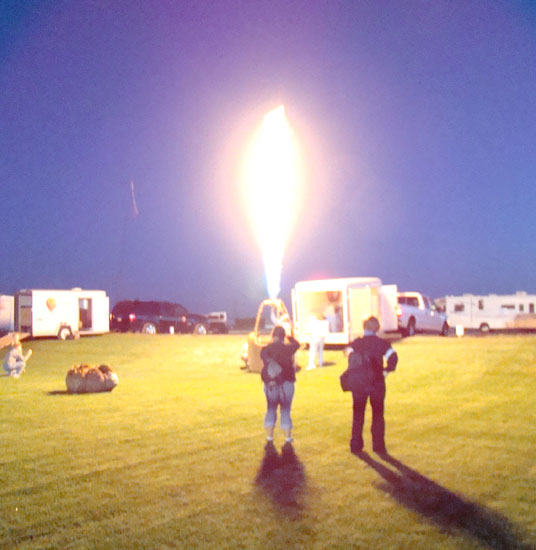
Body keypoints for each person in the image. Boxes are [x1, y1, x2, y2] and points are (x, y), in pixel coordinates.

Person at [346, 316, 397, 455]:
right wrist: (386, 371)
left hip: (359, 383)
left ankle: (356, 445)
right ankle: (378, 445)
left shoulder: (356, 343)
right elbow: (393, 358)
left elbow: (349, 356)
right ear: (377, 328)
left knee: (358, 414)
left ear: (364, 328)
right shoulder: (381, 343)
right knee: (378, 414)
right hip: (376, 382)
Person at [260, 325, 300, 443]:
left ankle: (269, 437)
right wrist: (290, 337)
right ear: (283, 336)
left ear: (273, 336)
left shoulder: (266, 349)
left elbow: (264, 360)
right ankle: (287, 437)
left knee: (271, 409)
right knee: (285, 410)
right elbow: (297, 345)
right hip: (286, 383)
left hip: (271, 384)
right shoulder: (288, 349)